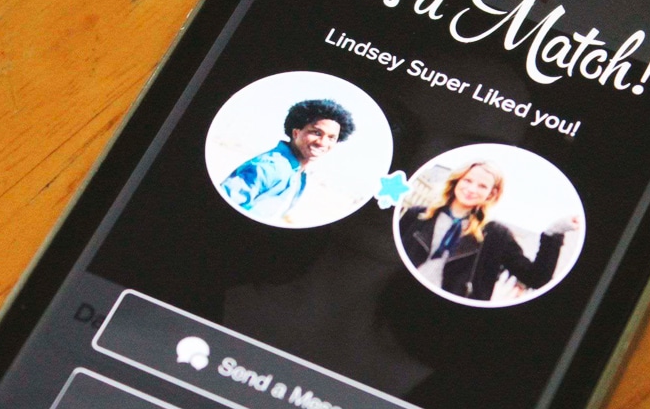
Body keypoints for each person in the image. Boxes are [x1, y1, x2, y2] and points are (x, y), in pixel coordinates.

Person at [397, 161, 580, 301]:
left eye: (482, 186)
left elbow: (536, 278)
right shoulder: (417, 215)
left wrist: (553, 233)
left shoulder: (496, 235)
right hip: (400, 295)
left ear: (492, 194)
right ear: (457, 181)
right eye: (468, 180)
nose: (471, 189)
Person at [220, 99, 355, 222]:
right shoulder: (270, 167)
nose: (322, 142)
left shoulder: (299, 174)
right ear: (296, 133)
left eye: (331, 138)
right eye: (316, 133)